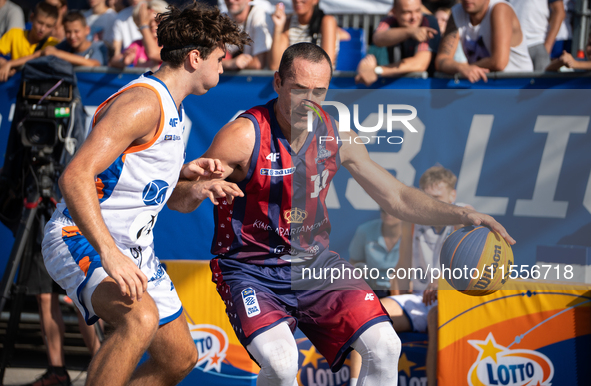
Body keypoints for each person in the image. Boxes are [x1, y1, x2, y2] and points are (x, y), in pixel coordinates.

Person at [168, 42, 515, 386]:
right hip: (251, 270)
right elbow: (178, 200)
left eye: (319, 92)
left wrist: (463, 216)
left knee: (386, 346)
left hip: (316, 266)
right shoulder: (244, 135)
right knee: (283, 363)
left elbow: (397, 197)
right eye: (299, 89)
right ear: (277, 83)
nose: (309, 102)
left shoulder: (337, 136)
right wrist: (196, 190)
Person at [41, 0, 249, 386]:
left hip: (134, 250)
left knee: (179, 358)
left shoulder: (172, 108)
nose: (223, 66)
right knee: (140, 319)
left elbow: (171, 200)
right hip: (80, 237)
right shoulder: (142, 103)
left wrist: (195, 184)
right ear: (193, 58)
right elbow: (74, 177)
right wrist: (109, 254)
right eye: (219, 58)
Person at [380, 166, 473, 386]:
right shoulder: (412, 219)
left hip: (453, 298)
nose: (433, 205)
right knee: (370, 317)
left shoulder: (464, 216)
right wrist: (396, 292)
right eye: (427, 198)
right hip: (421, 298)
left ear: (453, 196)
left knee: (435, 317)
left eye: (438, 198)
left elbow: (471, 267)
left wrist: (443, 280)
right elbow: (402, 264)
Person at [348, 209, 409, 386]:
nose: (387, 212)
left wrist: (402, 286)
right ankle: (354, 382)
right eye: (383, 209)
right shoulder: (365, 230)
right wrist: (363, 273)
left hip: (402, 294)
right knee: (364, 324)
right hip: (371, 291)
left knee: (371, 327)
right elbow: (353, 265)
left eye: (392, 209)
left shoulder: (414, 234)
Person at [435, 0, 533, 83]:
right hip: (484, 86)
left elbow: (499, 63)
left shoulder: (500, 9)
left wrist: (466, 68)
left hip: (517, 85)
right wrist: (461, 68)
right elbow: (441, 60)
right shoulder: (457, 12)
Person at [355, 0, 441, 87]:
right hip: (398, 88)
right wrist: (410, 32)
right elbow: (377, 38)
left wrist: (377, 70)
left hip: (428, 89)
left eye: (417, 11)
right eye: (407, 12)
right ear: (394, 12)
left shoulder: (429, 22)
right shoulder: (388, 21)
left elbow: (419, 64)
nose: (414, 17)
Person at [494, 0, 565, 71]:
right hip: (509, 48)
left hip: (537, 45)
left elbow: (559, 12)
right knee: (511, 83)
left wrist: (547, 46)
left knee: (540, 83)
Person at [269, 0, 338, 70]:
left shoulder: (326, 21)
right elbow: (275, 65)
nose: (298, 0)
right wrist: (278, 27)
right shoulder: (287, 22)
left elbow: (327, 64)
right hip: (294, 78)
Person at [0, 1, 59, 82]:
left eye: (48, 26)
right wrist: (3, 64)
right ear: (31, 18)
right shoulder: (15, 33)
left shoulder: (54, 44)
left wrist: (10, 63)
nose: (42, 29)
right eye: (40, 23)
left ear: (54, 27)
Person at [221, 0, 273, 70]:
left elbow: (258, 63)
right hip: (230, 79)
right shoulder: (222, 18)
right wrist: (232, 63)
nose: (231, 0)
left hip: (258, 80)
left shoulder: (259, 16)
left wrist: (227, 63)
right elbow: (209, 61)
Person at [110, 0, 166, 69]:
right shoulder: (138, 45)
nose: (152, 24)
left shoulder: (171, 42)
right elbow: (113, 61)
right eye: (148, 21)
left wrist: (144, 25)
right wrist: (123, 59)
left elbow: (154, 54)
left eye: (157, 20)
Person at [41, 10, 108, 67]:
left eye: (76, 31)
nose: (72, 36)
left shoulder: (98, 46)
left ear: (87, 30)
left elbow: (94, 64)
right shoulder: (65, 45)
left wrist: (57, 54)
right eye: (68, 32)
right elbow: (47, 52)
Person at [109, 0, 148, 66]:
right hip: (130, 66)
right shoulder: (120, 17)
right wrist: (124, 59)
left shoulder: (156, 12)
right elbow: (115, 54)